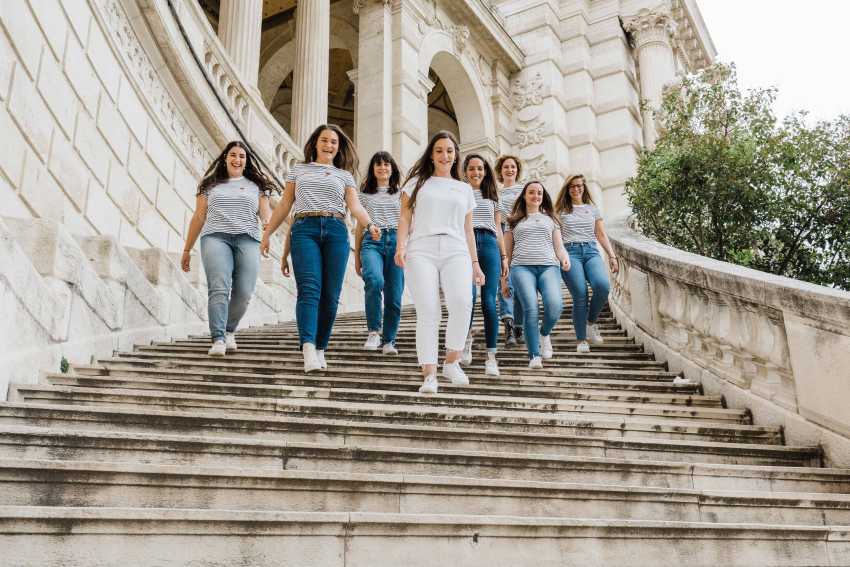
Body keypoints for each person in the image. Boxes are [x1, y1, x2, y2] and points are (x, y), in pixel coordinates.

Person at [261, 124, 381, 373]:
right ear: (315, 143)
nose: (329, 145)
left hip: (337, 230)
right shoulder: (299, 170)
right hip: (305, 228)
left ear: (338, 148)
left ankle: (320, 347)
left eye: (334, 142)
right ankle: (307, 346)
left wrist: (369, 224)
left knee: (331, 295)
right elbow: (284, 206)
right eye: (325, 140)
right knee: (309, 289)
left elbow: (355, 206)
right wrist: (267, 233)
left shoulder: (344, 176)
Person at [395, 131, 485, 394]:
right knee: (429, 310)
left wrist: (476, 263)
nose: (445, 155)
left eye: (449, 150)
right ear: (431, 155)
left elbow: (468, 230)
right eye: (439, 150)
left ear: (455, 154)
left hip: (456, 248)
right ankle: (429, 375)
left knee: (462, 302)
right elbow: (404, 218)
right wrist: (401, 246)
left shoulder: (465, 188)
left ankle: (452, 362)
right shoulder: (416, 184)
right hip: (421, 248)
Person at [182, 141, 273, 357]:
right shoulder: (209, 185)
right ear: (225, 158)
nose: (237, 159)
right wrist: (187, 249)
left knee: (244, 292)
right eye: (233, 155)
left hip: (248, 239)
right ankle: (218, 338)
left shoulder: (256, 187)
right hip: (215, 238)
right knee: (219, 288)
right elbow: (198, 217)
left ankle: (229, 329)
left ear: (246, 161)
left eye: (242, 156)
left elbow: (266, 215)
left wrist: (267, 232)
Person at [502, 181, 571, 369]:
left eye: (539, 193)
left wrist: (565, 259)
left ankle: (544, 333)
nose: (536, 196)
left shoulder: (551, 219)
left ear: (543, 196)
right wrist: (504, 282)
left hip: (549, 266)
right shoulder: (513, 221)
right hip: (521, 268)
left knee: (555, 305)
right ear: (524, 195)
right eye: (531, 192)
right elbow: (506, 254)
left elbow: (559, 247)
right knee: (530, 308)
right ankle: (534, 355)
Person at [555, 174, 619, 353]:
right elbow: (555, 237)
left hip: (591, 251)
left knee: (602, 286)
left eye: (579, 186)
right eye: (572, 186)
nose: (576, 189)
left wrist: (612, 256)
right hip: (570, 252)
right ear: (567, 189)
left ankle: (591, 322)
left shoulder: (592, 209)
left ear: (584, 188)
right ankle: (581, 339)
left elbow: (601, 234)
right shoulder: (560, 211)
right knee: (580, 294)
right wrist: (560, 257)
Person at [354, 151, 404, 355]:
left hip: (396, 243)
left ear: (392, 169)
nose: (382, 168)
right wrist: (357, 257)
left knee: (394, 296)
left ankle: (389, 340)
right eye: (378, 165)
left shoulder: (402, 193)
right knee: (374, 281)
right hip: (371, 242)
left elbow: (406, 223)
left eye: (386, 164)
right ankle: (374, 331)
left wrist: (405, 247)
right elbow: (359, 226)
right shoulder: (364, 195)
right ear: (373, 169)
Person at [462, 154, 507, 376]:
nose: (476, 172)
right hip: (465, 244)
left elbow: (499, 229)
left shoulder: (492, 197)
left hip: (489, 244)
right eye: (471, 168)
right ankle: (466, 338)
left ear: (486, 171)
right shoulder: (461, 193)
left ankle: (491, 357)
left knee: (489, 302)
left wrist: (504, 255)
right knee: (467, 298)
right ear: (465, 171)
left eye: (480, 168)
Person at [495, 155, 525, 346]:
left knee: (522, 280)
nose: (509, 170)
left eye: (513, 166)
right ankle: (509, 325)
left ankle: (520, 325)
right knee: (505, 279)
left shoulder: (524, 190)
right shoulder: (495, 194)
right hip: (504, 232)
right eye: (506, 167)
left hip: (523, 233)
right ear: (500, 171)